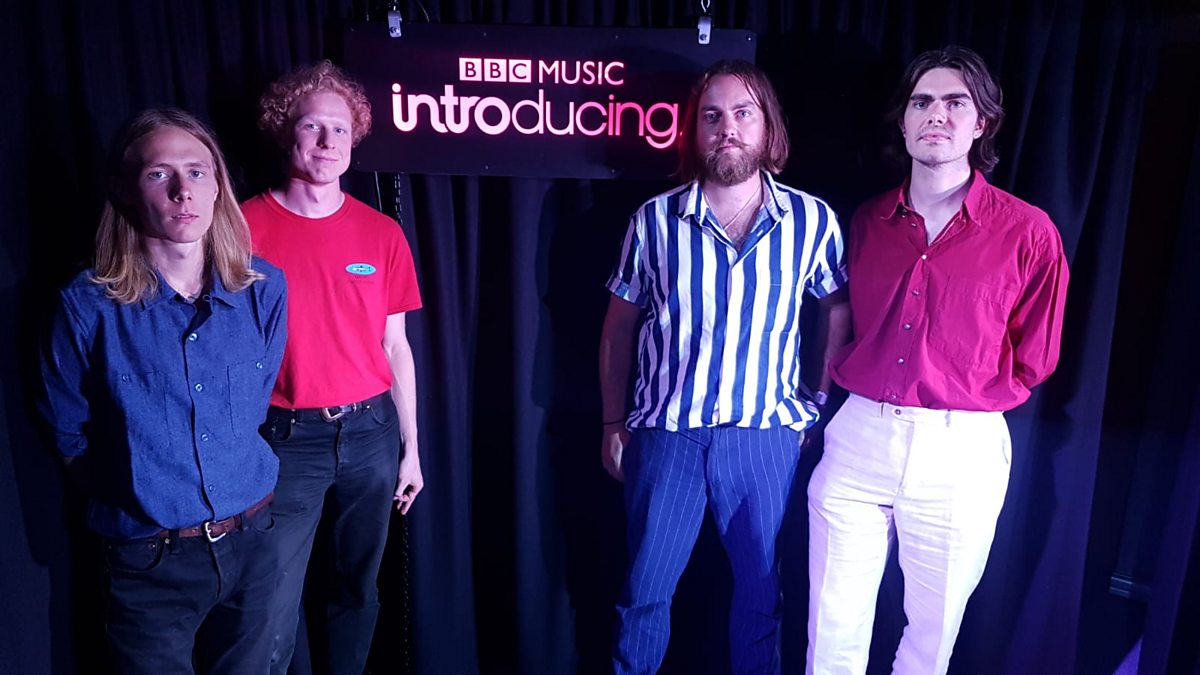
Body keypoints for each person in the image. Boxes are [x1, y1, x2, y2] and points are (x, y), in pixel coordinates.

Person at [807, 45, 1070, 674]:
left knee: (930, 641)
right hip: (859, 437)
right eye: (922, 102)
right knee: (831, 629)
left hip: (960, 448)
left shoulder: (1028, 232)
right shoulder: (867, 221)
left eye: (956, 103)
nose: (937, 115)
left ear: (982, 124)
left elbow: (1036, 356)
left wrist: (964, 393)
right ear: (903, 121)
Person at [599, 59, 850, 675]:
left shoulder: (811, 221)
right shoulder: (654, 221)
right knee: (643, 593)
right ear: (694, 130)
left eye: (743, 113)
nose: (727, 128)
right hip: (667, 436)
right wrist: (611, 422)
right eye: (712, 116)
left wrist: (815, 406)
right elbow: (619, 326)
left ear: (767, 126)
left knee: (763, 598)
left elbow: (836, 311)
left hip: (764, 437)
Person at [39, 108, 287, 673]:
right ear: (125, 190)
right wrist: (141, 496)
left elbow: (256, 404)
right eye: (159, 174)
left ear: (218, 185)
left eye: (197, 172)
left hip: (253, 542)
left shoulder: (264, 290)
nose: (182, 191)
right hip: (148, 561)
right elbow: (67, 432)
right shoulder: (87, 306)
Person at [244, 60, 423, 674]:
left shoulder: (382, 233)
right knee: (269, 599)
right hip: (284, 440)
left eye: (340, 129)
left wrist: (411, 449)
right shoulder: (239, 227)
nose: (327, 141)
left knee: (357, 589)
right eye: (312, 126)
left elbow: (396, 347)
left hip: (371, 435)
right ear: (284, 130)